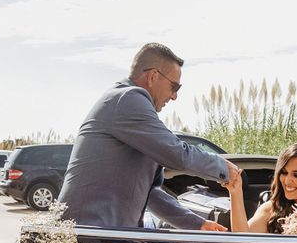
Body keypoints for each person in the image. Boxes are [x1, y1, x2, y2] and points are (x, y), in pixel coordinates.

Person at [58, 42, 239, 229]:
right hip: (85, 232)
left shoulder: (136, 119)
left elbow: (150, 195)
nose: (175, 96)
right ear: (153, 76)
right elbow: (176, 154)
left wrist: (198, 224)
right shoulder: (128, 99)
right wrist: (223, 168)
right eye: (175, 87)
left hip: (105, 236)